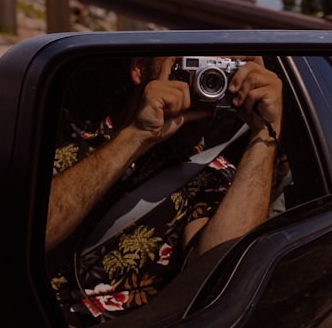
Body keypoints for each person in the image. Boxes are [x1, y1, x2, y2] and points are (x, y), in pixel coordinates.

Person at [45, 55, 283, 324]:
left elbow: (222, 281)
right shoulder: (67, 132)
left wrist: (266, 131)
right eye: (186, 66)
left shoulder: (214, 178)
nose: (201, 82)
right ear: (138, 69)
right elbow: (22, 233)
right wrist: (136, 136)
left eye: (216, 69)